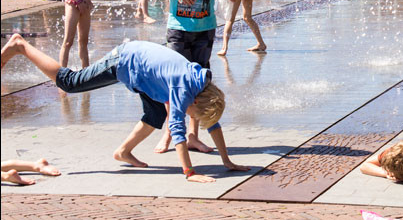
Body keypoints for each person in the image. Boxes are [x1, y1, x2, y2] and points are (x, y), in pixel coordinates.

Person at [1, 35, 247, 182]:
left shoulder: (201, 87)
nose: (191, 117)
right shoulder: (185, 91)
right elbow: (178, 133)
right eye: (194, 114)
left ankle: (123, 152)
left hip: (142, 70)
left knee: (156, 113)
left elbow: (212, 122)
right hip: (126, 60)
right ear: (193, 102)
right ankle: (20, 45)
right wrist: (189, 172)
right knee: (70, 83)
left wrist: (228, 161)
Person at [155, 0, 225, 153]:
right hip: (179, 26)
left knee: (198, 83)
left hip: (205, 27)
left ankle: (193, 135)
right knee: (173, 82)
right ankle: (172, 132)